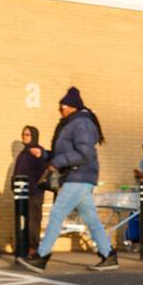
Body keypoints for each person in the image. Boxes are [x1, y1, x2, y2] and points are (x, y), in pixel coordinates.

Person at [18, 86, 118, 273]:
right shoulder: (71, 123)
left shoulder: (82, 124)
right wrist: (44, 154)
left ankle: (41, 257)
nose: (60, 110)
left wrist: (56, 162)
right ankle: (109, 255)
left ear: (71, 106)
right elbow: (63, 153)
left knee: (56, 214)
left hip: (79, 175)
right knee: (92, 220)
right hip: (76, 176)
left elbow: (85, 154)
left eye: (62, 107)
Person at [13, 125, 50, 257]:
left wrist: (34, 184)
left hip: (34, 192)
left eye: (27, 134)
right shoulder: (23, 153)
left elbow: (43, 171)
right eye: (23, 134)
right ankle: (23, 246)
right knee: (23, 220)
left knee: (33, 221)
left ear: (34, 136)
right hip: (21, 194)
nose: (24, 136)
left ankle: (33, 248)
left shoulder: (37, 151)